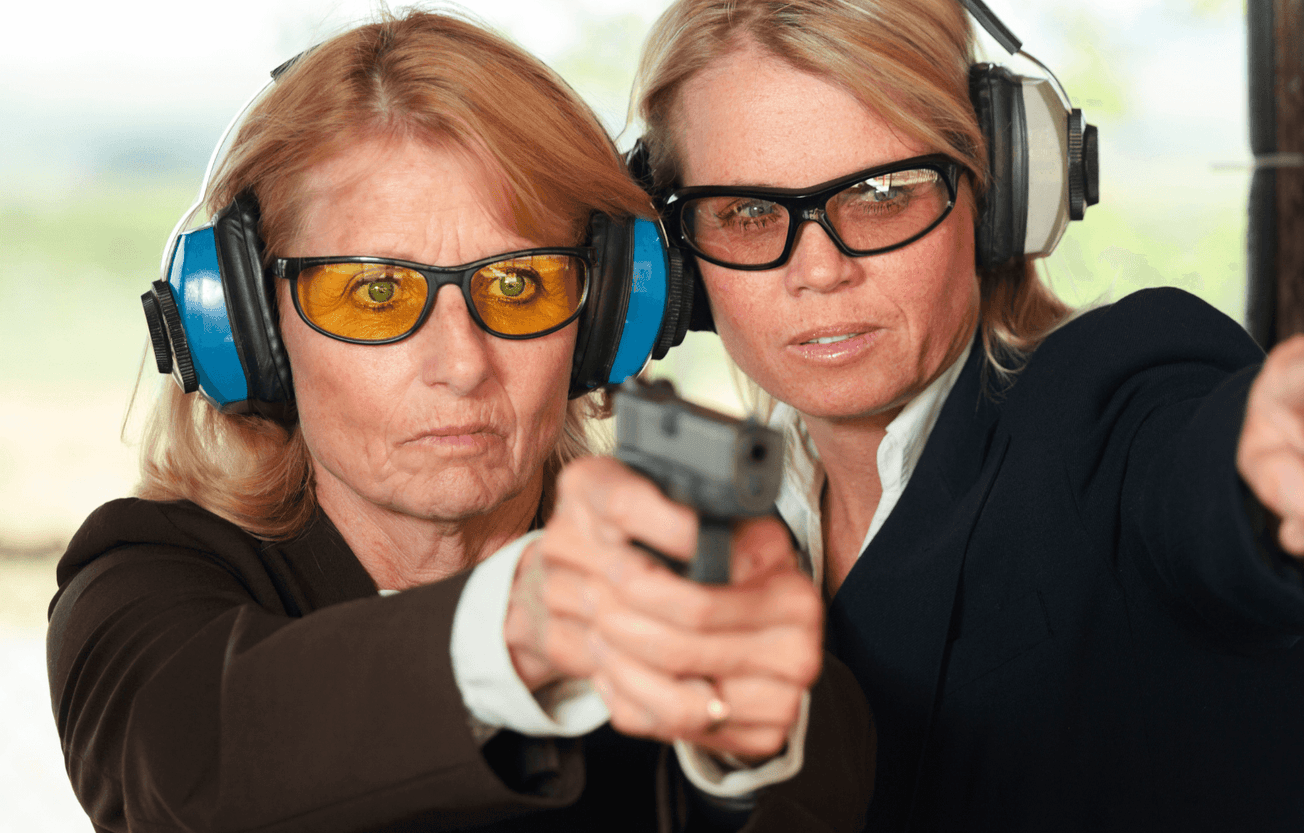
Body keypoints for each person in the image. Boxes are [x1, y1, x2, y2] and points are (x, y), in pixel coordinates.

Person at [632, 0, 1304, 830]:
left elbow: (1192, 481)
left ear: (997, 193)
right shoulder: (725, 515)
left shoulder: (1110, 391)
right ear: (677, 259)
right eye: (745, 213)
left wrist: (1271, 478)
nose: (818, 268)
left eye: (882, 193)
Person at [45, 11, 873, 833]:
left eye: (520, 285)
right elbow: (190, 758)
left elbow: (820, 781)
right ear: (249, 327)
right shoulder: (139, 576)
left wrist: (747, 738)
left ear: (609, 318)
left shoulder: (690, 568)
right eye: (373, 292)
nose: (462, 363)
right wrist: (520, 627)